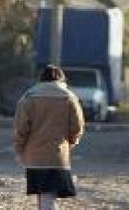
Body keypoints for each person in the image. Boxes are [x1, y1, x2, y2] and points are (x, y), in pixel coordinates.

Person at [14, 65, 85, 210]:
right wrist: (70, 143)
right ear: (62, 79)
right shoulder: (69, 98)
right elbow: (77, 127)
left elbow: (21, 128)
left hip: (35, 157)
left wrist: (20, 150)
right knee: (49, 197)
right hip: (58, 155)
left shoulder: (29, 97)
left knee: (44, 197)